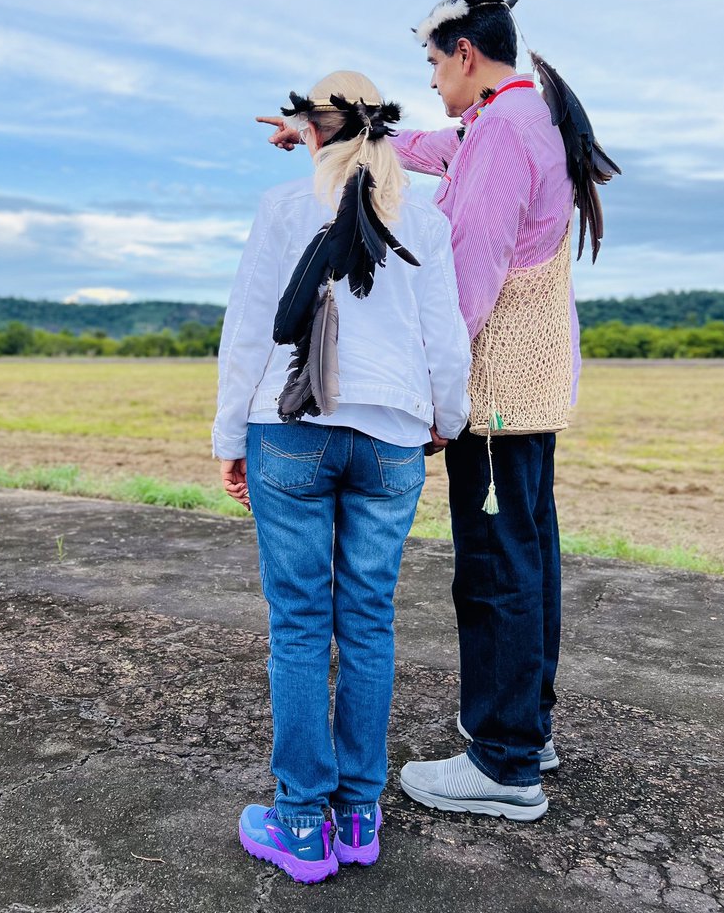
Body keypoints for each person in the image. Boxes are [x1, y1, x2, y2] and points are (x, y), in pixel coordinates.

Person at [259, 0, 618, 823]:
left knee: (496, 569)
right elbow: (430, 145)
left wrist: (433, 398)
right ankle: (527, 728)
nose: (428, 80)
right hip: (527, 395)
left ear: (463, 53)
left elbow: (472, 268)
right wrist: (328, 130)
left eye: (431, 62)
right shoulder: (520, 116)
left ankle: (502, 760)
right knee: (529, 553)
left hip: (490, 397)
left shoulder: (501, 131)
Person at [214, 70, 471, 883]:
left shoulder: (284, 208)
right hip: (392, 436)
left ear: (314, 129)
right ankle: (358, 817)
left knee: (298, 624)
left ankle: (298, 824)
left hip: (288, 430)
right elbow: (447, 335)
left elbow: (250, 328)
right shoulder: (422, 213)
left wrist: (229, 436)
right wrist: (446, 419)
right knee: (368, 621)